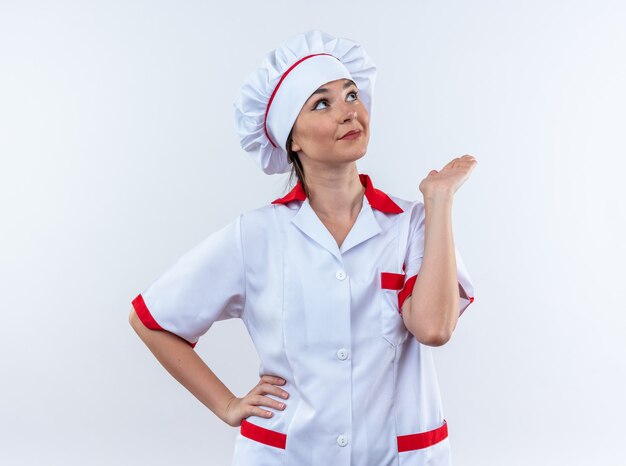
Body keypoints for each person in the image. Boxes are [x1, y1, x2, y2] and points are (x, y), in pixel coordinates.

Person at [129, 29, 477, 466]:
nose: (349, 112)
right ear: (291, 138)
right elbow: (152, 319)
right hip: (287, 455)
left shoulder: (412, 223)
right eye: (322, 103)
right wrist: (227, 405)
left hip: (398, 456)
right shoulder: (255, 235)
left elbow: (434, 328)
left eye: (351, 95)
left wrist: (440, 199)